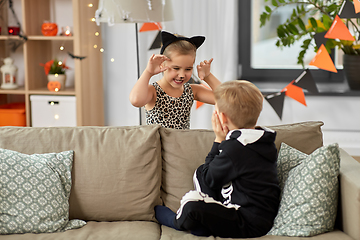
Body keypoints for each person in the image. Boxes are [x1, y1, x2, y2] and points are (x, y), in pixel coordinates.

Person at [154, 80, 280, 238]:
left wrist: (219, 139)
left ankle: (176, 221)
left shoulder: (236, 148)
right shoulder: (264, 141)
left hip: (245, 223)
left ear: (222, 117)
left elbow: (208, 179)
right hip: (259, 218)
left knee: (193, 203)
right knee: (201, 172)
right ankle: (206, 224)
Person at [129, 31, 221, 129]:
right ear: (162, 64)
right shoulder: (153, 91)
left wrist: (208, 76)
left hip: (183, 143)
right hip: (158, 144)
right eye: (176, 68)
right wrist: (148, 72)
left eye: (188, 69)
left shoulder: (192, 91)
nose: (181, 75)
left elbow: (226, 99)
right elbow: (136, 101)